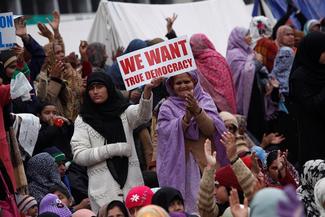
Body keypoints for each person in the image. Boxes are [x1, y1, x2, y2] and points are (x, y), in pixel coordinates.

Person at [71, 72, 160, 213]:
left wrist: (147, 91)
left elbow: (143, 116)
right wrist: (114, 149)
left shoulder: (123, 112)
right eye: (91, 88)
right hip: (103, 196)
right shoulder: (83, 120)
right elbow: (79, 155)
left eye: (100, 87)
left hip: (133, 194)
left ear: (109, 88)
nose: (95, 91)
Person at [157, 70, 228, 213]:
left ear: (194, 82)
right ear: (171, 85)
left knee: (210, 204)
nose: (183, 86)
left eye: (187, 82)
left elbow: (210, 129)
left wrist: (197, 111)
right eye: (178, 83)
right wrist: (185, 119)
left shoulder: (205, 99)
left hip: (207, 161)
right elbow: (164, 134)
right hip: (182, 165)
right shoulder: (166, 106)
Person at [289, 32, 325, 166]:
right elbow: (311, 106)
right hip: (314, 137)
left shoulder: (321, 70)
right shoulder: (300, 77)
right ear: (314, 52)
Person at [190, 33, 237, 113]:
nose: (190, 48)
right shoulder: (215, 57)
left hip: (221, 104)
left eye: (192, 45)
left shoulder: (214, 58)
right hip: (208, 105)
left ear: (200, 44)